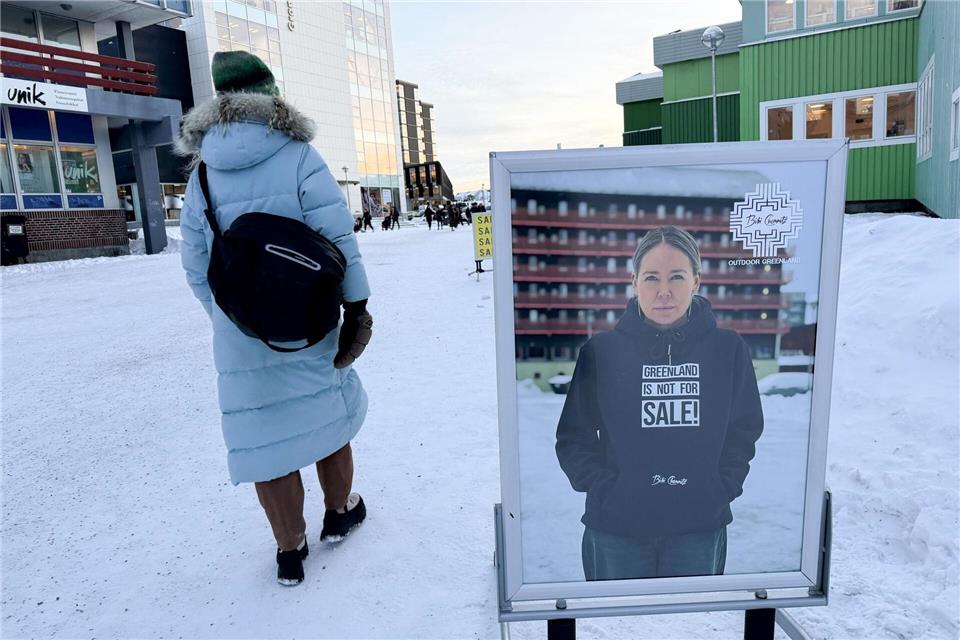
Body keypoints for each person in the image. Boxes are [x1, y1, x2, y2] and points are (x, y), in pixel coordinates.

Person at [177, 51, 373, 587]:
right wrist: (355, 307)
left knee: (264, 436)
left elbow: (195, 264)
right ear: (270, 95)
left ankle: (290, 549)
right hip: (308, 321)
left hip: (241, 333)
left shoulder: (204, 176)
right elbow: (339, 241)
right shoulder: (300, 156)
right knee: (325, 413)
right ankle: (339, 513)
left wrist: (232, 316)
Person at [555, 225, 763, 581]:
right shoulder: (601, 352)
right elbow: (574, 440)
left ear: (696, 281)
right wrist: (608, 491)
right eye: (651, 277)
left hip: (698, 530)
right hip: (615, 532)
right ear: (634, 282)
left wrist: (720, 487)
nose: (664, 291)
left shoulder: (728, 350)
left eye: (677, 277)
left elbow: (743, 430)